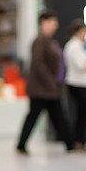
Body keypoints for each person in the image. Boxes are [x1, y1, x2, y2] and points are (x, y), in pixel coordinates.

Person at [16, 10, 74, 155]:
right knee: (39, 116)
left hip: (47, 88)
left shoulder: (48, 40)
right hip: (42, 89)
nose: (55, 26)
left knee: (54, 116)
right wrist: (51, 81)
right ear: (43, 23)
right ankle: (69, 144)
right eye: (52, 22)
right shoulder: (40, 41)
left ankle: (70, 144)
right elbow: (38, 63)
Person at [64, 19, 86, 151]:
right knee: (85, 112)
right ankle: (78, 140)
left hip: (84, 83)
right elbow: (81, 66)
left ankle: (81, 140)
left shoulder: (82, 46)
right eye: (83, 32)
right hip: (77, 83)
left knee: (84, 112)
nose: (85, 34)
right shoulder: (73, 46)